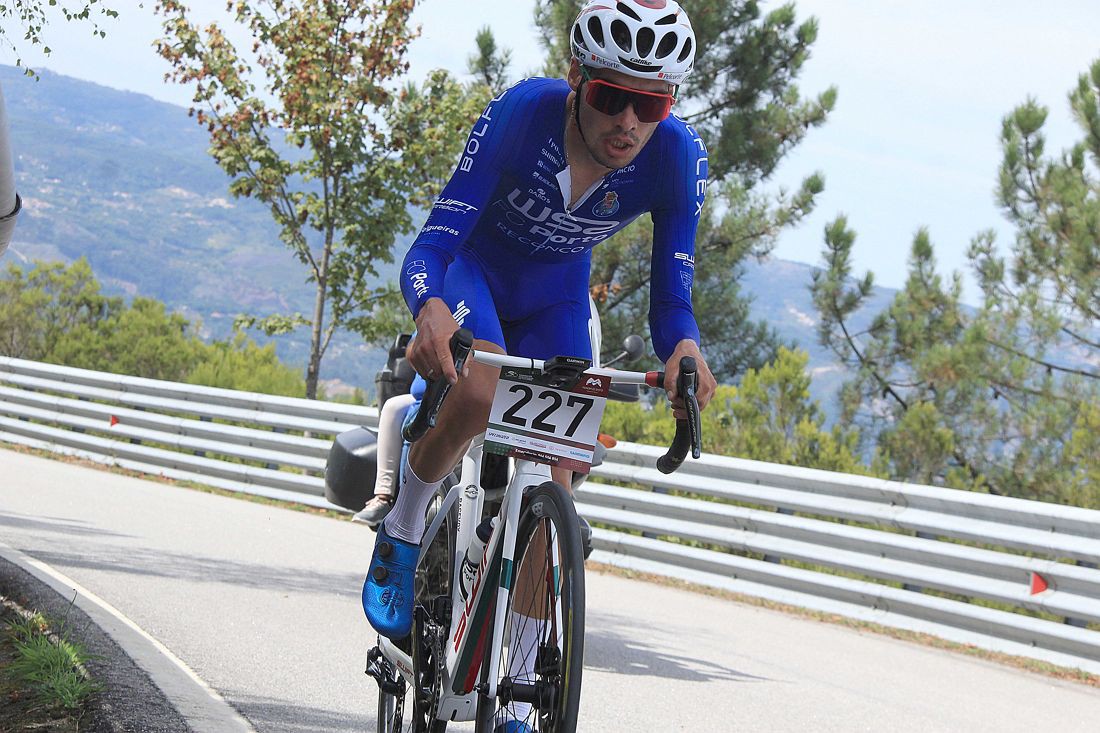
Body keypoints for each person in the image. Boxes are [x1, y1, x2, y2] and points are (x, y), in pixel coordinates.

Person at [364, 1, 717, 727]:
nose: (628, 121)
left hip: (557, 296)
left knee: (560, 476)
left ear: (669, 104)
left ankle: (521, 676)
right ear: (575, 78)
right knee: (480, 385)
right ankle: (401, 524)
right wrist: (428, 306)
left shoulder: (674, 155)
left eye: (649, 102)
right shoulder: (523, 112)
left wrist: (686, 354)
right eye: (611, 96)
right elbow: (429, 250)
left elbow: (671, 311)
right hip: (475, 275)